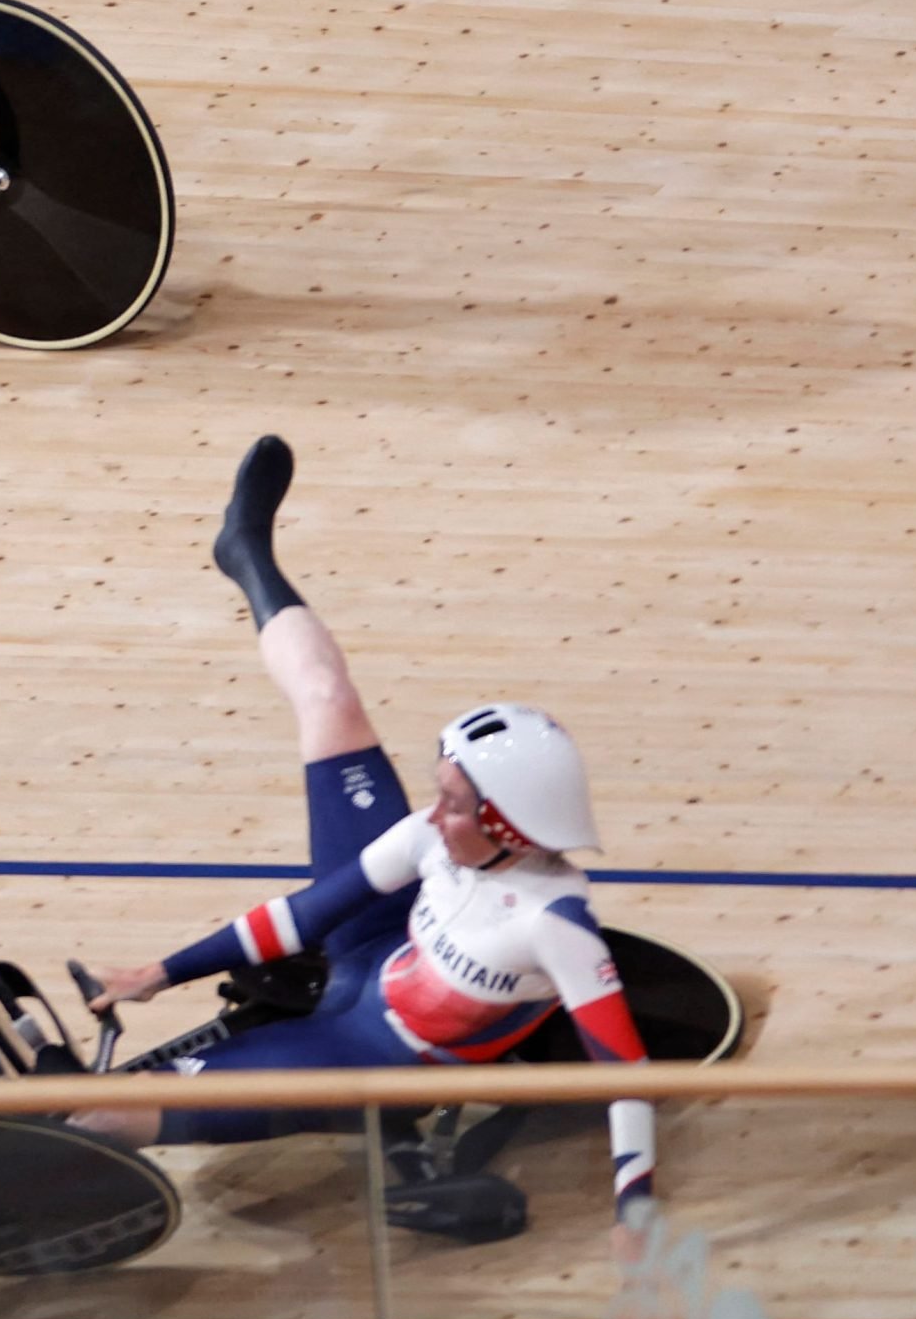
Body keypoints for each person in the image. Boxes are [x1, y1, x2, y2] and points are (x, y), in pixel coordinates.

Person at [76, 437, 658, 1223]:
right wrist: (158, 973)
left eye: (454, 800)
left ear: (507, 825)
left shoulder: (560, 929)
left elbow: (624, 1071)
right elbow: (307, 917)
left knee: (108, 1117)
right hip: (374, 951)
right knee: (326, 698)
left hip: (371, 1058)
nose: (434, 807)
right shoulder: (433, 834)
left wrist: (636, 1210)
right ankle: (245, 553)